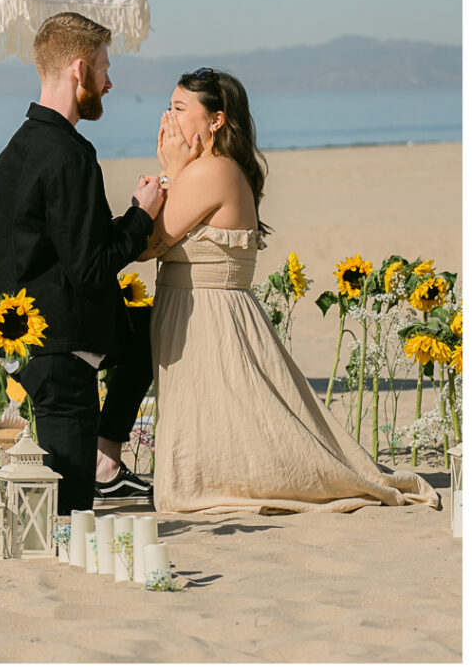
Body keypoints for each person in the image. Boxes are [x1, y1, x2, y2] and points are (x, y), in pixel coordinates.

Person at [139, 66, 439, 514]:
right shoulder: (205, 170)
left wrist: (169, 172)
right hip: (195, 310)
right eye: (168, 107)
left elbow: (148, 245)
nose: (168, 119)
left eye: (180, 109)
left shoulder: (212, 171)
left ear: (216, 120)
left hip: (209, 316)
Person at [0, 11, 163, 515]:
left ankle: (106, 458)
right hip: (62, 350)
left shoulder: (12, 153)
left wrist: (126, 220)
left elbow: (64, 245)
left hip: (24, 339)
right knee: (65, 504)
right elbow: (90, 265)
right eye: (105, 67)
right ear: (79, 70)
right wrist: (140, 218)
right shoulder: (69, 155)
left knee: (148, 333)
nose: (111, 81)